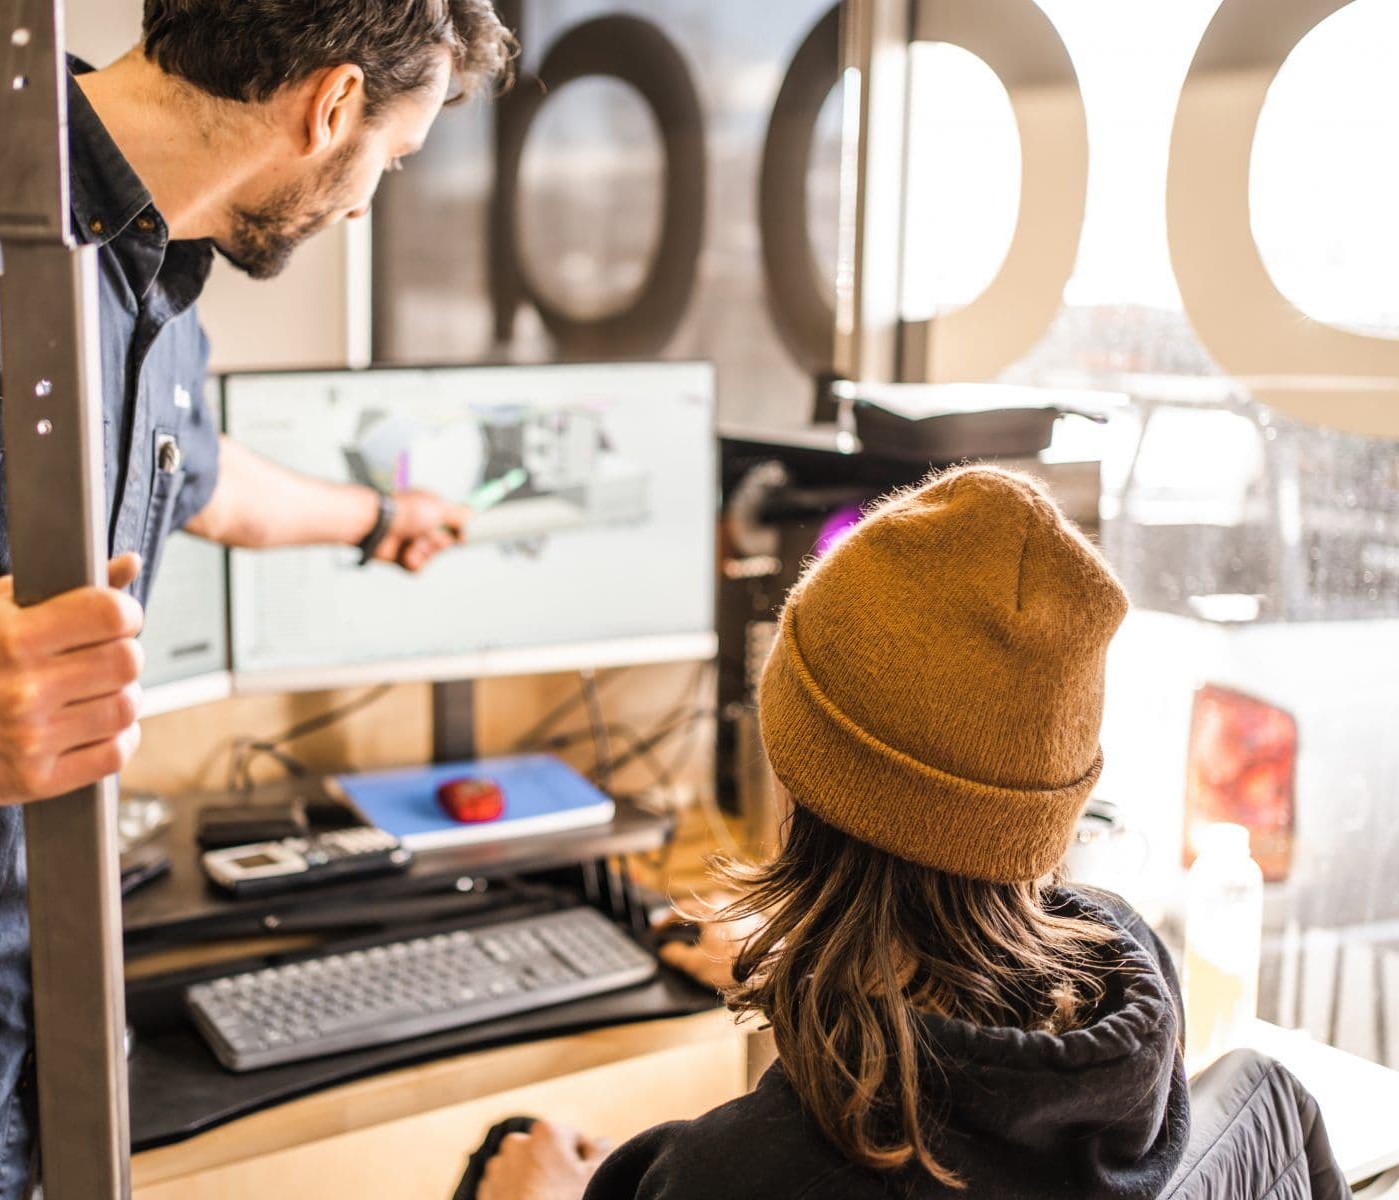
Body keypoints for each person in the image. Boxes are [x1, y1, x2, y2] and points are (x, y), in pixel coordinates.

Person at [0, 3, 515, 1197]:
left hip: (5, 1054)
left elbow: (196, 468)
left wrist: (376, 518)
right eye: (388, 165)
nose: (361, 209)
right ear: (332, 105)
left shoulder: (151, 269)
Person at [475, 466, 1191, 1200]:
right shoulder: (1131, 974)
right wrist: (807, 965)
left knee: (508, 1155)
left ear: (796, 775)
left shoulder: (738, 1175)